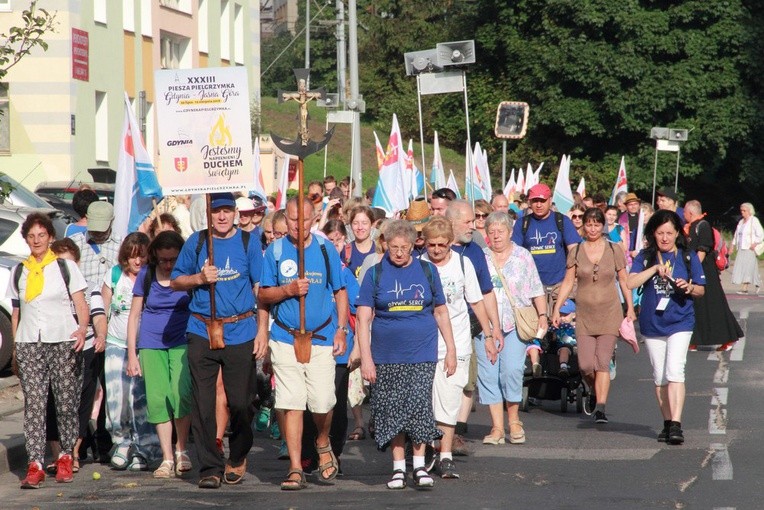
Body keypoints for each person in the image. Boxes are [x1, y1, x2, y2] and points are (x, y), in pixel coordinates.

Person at [171, 192, 263, 489]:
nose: (221, 217)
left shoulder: (249, 243)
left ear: (236, 212)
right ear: (208, 213)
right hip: (201, 329)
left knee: (240, 401)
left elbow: (260, 290)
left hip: (240, 330)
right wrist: (199, 278)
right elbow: (175, 280)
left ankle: (237, 453)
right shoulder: (196, 242)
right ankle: (209, 466)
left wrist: (263, 331)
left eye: (227, 210)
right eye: (216, 211)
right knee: (203, 402)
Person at [356, 219, 456, 490]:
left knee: (418, 407)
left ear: (414, 246)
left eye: (404, 247)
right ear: (386, 245)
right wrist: (366, 358)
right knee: (392, 410)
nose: (399, 253)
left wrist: (451, 350)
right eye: (393, 247)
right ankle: (398, 468)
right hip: (386, 355)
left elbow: (440, 311)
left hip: (422, 352)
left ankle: (420, 465)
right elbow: (363, 319)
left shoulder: (427, 271)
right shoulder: (374, 274)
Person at [257, 197, 347, 490]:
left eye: (304, 220)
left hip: (320, 337)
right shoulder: (276, 250)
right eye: (293, 220)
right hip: (285, 337)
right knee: (291, 403)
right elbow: (264, 296)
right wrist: (288, 289)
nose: (298, 226)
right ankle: (295, 467)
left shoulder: (325, 249)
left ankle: (322, 441)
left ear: (314, 219)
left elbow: (341, 290)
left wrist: (342, 329)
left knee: (322, 402)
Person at [8, 213, 90, 488]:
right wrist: (16, 348)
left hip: (62, 340)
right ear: (26, 240)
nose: (37, 241)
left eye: (41, 235)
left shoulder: (65, 267)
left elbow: (81, 303)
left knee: (66, 402)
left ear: (50, 238)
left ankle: (66, 455)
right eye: (31, 236)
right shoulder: (20, 270)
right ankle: (35, 463)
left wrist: (81, 330)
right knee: (34, 404)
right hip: (30, 342)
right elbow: (17, 312)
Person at [421, 217, 492, 479]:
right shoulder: (419, 264)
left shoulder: (463, 263)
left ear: (450, 242)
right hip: (426, 345)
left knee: (450, 401)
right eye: (432, 245)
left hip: (459, 343)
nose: (437, 250)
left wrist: (489, 335)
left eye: (441, 244)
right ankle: (427, 449)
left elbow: (476, 301)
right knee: (427, 402)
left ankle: (446, 454)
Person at [627, 210, 705, 445]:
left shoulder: (688, 256)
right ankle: (667, 423)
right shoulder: (645, 256)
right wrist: (652, 270)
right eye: (660, 233)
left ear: (677, 233)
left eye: (669, 233)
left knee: (675, 370)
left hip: (680, 321)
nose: (664, 238)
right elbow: (630, 282)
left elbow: (702, 290)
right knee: (660, 376)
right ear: (653, 234)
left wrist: (689, 287)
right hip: (652, 324)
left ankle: (677, 424)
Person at [551, 208, 636, 423]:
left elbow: (624, 280)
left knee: (602, 363)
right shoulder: (577, 250)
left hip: (610, 313)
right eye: (588, 224)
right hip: (585, 315)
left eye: (596, 224)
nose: (592, 228)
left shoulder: (613, 249)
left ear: (602, 226)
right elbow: (569, 281)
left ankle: (600, 408)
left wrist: (630, 307)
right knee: (586, 365)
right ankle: (594, 391)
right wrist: (556, 308)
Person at [126, 231, 193, 478]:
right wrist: (132, 354)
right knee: (157, 398)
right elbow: (134, 315)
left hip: (182, 340)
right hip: (151, 343)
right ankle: (166, 457)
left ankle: (181, 449)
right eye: (163, 259)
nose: (168, 264)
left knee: (180, 393)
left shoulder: (187, 274)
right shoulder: (146, 274)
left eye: (173, 259)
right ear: (154, 255)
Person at [479, 212, 547, 446]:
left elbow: (536, 288)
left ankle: (514, 420)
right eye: (491, 231)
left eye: (501, 231)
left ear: (510, 232)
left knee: (511, 371)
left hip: (514, 323)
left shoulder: (522, 256)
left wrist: (543, 315)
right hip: (485, 324)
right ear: (486, 234)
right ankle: (497, 427)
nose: (496, 235)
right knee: (488, 375)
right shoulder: (481, 257)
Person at [445, 200, 501, 453]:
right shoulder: (435, 249)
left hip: (470, 324)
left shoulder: (476, 251)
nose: (473, 226)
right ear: (451, 222)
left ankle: (457, 430)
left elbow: (486, 292)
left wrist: (494, 328)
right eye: (467, 222)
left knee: (467, 381)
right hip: (437, 325)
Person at [101, 232, 160, 471]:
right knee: (117, 397)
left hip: (144, 345)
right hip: (116, 344)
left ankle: (144, 447)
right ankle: (122, 443)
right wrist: (101, 337)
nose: (137, 262)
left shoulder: (151, 278)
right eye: (133, 256)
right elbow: (103, 310)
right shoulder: (114, 275)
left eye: (142, 256)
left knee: (141, 398)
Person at [71, 201, 122, 465]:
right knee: (85, 386)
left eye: (104, 229)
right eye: (95, 228)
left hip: (113, 328)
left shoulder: (121, 246)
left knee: (110, 387)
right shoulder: (77, 244)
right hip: (84, 327)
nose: (99, 233)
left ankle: (105, 438)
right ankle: (80, 440)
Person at [684, 201, 743, 351]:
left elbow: (702, 250)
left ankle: (729, 337)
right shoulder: (692, 226)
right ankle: (695, 339)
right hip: (700, 269)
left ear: (690, 212)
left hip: (705, 271)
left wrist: (693, 270)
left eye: (685, 212)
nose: (684, 215)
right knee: (698, 305)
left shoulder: (702, 226)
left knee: (714, 304)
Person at [511, 183, 581, 310]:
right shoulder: (522, 223)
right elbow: (515, 253)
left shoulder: (562, 220)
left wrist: (574, 276)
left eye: (542, 200)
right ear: (529, 202)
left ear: (550, 200)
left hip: (560, 285)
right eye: (535, 201)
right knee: (537, 328)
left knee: (564, 324)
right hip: (532, 287)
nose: (538, 205)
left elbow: (574, 251)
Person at [731, 202, 763, 295]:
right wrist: (732, 245)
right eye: (741, 210)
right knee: (743, 267)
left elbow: (761, 233)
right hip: (741, 248)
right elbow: (737, 234)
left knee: (748, 268)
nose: (742, 212)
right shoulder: (741, 222)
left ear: (749, 211)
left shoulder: (754, 220)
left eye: (744, 211)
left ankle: (744, 288)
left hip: (750, 249)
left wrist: (755, 243)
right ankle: (757, 282)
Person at [344, 206, 376, 278]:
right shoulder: (345, 252)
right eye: (355, 223)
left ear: (372, 224)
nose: (360, 227)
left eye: (364, 223)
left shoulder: (379, 251)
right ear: (351, 225)